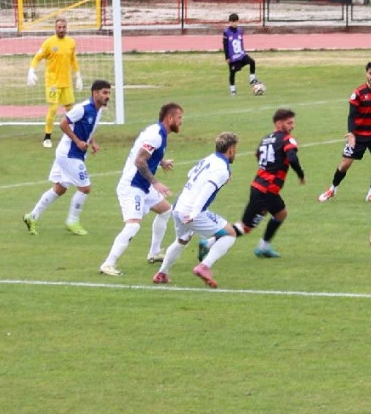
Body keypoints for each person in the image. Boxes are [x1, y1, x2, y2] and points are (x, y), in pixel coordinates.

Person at [97, 102, 184, 276]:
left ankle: (154, 252)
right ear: (170, 118)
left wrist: (161, 162)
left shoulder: (158, 132)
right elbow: (139, 160)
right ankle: (108, 264)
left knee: (166, 211)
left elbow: (147, 153)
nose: (181, 122)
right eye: (179, 118)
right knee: (133, 227)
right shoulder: (156, 135)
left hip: (143, 184)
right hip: (133, 185)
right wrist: (156, 182)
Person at [210, 108, 305, 260]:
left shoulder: (266, 139)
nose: (293, 126)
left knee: (281, 213)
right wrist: (300, 174)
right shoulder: (287, 139)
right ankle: (209, 242)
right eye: (289, 123)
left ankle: (264, 247)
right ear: (279, 123)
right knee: (245, 227)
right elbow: (292, 158)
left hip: (265, 188)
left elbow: (258, 155)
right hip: (265, 191)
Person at [22, 80, 111, 236]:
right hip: (69, 154)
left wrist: (92, 142)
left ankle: (32, 216)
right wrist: (77, 141)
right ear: (95, 93)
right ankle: (72, 221)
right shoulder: (82, 109)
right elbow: (63, 124)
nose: (107, 96)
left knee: (60, 188)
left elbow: (87, 129)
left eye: (109, 93)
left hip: (70, 153)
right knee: (85, 188)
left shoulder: (98, 110)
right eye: (104, 92)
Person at [153, 132, 241, 288]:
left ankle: (162, 274)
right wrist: (194, 213)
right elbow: (206, 190)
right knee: (230, 233)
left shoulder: (209, 159)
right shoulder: (221, 169)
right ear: (231, 149)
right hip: (192, 210)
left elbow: (191, 173)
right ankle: (204, 266)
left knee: (182, 240)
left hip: (179, 207)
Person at [319, 61, 371, 203]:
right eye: (370, 73)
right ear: (366, 74)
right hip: (358, 136)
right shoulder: (357, 93)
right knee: (345, 164)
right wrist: (351, 134)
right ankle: (332, 189)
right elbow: (351, 116)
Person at [27, 17, 82, 148]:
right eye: (59, 27)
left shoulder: (71, 43)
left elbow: (73, 60)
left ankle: (73, 135)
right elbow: (37, 57)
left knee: (70, 109)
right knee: (53, 109)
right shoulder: (49, 43)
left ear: (66, 28)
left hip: (66, 82)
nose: (61, 29)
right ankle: (47, 137)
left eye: (64, 27)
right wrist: (31, 70)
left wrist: (78, 75)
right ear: (55, 28)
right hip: (52, 83)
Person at [223, 13, 260, 96]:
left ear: (237, 22)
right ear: (229, 22)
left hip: (241, 55)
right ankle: (232, 90)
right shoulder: (226, 32)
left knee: (252, 62)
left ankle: (252, 79)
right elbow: (225, 45)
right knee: (232, 72)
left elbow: (241, 42)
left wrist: (243, 51)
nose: (234, 24)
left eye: (235, 22)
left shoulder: (240, 31)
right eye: (232, 22)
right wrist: (227, 57)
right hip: (232, 57)